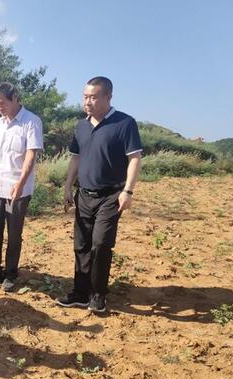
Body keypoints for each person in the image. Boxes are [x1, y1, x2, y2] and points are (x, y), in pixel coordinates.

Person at [57, 76, 142, 313]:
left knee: (100, 244)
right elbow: (76, 157)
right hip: (83, 194)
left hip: (111, 195)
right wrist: (67, 186)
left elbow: (134, 158)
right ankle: (80, 293)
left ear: (108, 97)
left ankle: (97, 294)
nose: (88, 102)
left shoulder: (125, 123)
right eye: (85, 97)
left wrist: (128, 191)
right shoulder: (81, 125)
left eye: (94, 97)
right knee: (81, 245)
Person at [0, 82, 44, 292]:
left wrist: (20, 184)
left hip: (18, 189)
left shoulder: (31, 122)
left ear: (14, 97)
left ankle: (11, 274)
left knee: (14, 234)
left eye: (2, 102)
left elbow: (31, 155)